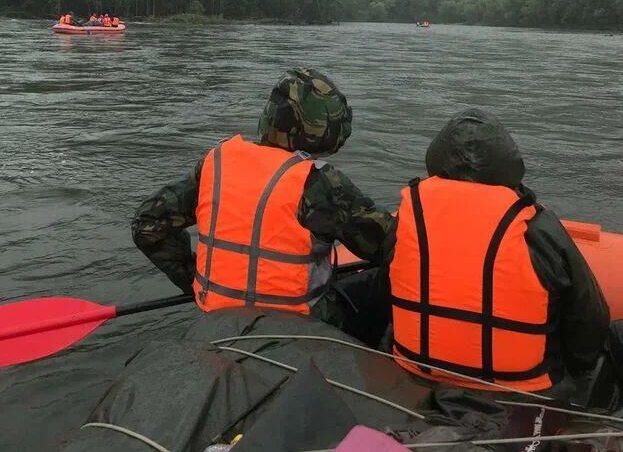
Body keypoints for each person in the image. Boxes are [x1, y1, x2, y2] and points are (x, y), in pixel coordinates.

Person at [132, 68, 393, 334]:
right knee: (380, 286)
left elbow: (147, 225)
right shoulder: (320, 182)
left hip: (217, 314)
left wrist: (195, 279)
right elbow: (391, 245)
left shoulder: (216, 164)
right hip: (300, 325)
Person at [385, 108, 610, 395]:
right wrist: (579, 367)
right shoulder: (535, 226)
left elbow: (390, 285)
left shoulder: (408, 217)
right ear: (508, 165)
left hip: (416, 370)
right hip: (519, 387)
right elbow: (589, 316)